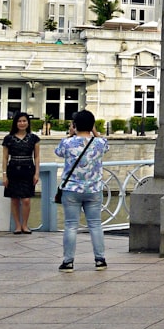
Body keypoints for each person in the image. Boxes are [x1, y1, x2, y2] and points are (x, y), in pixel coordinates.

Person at [54, 110, 109, 272]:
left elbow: (58, 152)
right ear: (92, 125)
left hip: (71, 189)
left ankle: (68, 262)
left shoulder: (67, 143)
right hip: (93, 189)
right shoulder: (100, 143)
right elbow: (105, 145)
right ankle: (100, 260)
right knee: (95, 225)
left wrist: (71, 134)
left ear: (74, 125)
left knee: (71, 225)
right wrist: (95, 132)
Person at [2, 112, 41, 234]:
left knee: (26, 200)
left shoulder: (33, 138)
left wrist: (36, 173)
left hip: (28, 170)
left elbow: (37, 157)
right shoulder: (8, 139)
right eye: (19, 121)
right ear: (15, 123)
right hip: (13, 170)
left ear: (28, 123)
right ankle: (18, 226)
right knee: (14, 199)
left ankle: (25, 224)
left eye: (24, 121)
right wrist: (4, 174)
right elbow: (4, 158)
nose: (22, 123)